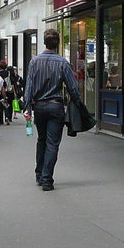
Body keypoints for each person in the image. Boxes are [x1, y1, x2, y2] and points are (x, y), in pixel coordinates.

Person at [23, 28, 82, 191]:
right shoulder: (62, 62)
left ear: (44, 42)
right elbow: (72, 87)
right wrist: (78, 103)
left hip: (39, 106)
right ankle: (47, 179)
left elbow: (29, 86)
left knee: (41, 139)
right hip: (56, 106)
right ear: (58, 43)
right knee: (52, 143)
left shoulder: (35, 61)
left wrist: (27, 106)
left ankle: (39, 174)